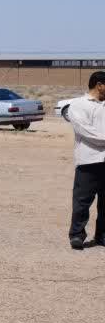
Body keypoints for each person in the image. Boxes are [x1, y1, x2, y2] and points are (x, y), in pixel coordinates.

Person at [67, 71, 105, 249]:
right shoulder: (78, 105)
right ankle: (77, 235)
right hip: (89, 160)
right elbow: (86, 131)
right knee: (82, 201)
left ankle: (102, 235)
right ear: (99, 85)